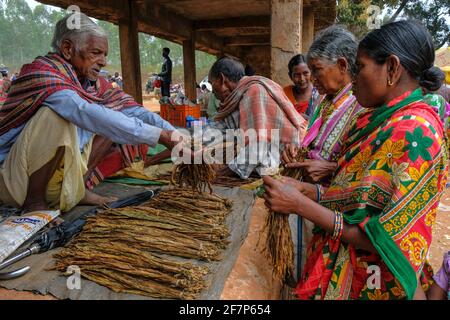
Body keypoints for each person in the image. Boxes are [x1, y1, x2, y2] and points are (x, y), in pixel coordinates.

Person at [263, 20, 447, 300]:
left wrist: (300, 204)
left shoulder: (413, 132)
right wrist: (309, 191)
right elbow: (357, 200)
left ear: (393, 69)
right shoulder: (378, 120)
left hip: (371, 282)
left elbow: (383, 236)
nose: (354, 76)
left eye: (359, 67)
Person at [0, 13, 179, 213]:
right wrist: (158, 136)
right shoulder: (44, 73)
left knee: (112, 117)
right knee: (56, 115)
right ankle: (34, 202)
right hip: (15, 180)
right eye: (96, 52)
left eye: (105, 55)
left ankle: (79, 190)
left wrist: (175, 135)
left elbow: (135, 111)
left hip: (61, 178)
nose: (103, 62)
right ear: (68, 48)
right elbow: (81, 110)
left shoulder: (91, 84)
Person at [282, 26, 364, 185]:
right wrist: (297, 151)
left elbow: (367, 163)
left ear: (342, 65)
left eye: (317, 70)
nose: (311, 79)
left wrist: (332, 168)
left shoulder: (361, 103)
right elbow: (315, 144)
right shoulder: (327, 101)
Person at [208, 57, 307, 179]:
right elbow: (223, 128)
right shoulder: (238, 95)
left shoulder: (254, 91)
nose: (212, 91)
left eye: (211, 82)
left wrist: (224, 171)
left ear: (222, 79)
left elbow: (258, 146)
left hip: (287, 162)